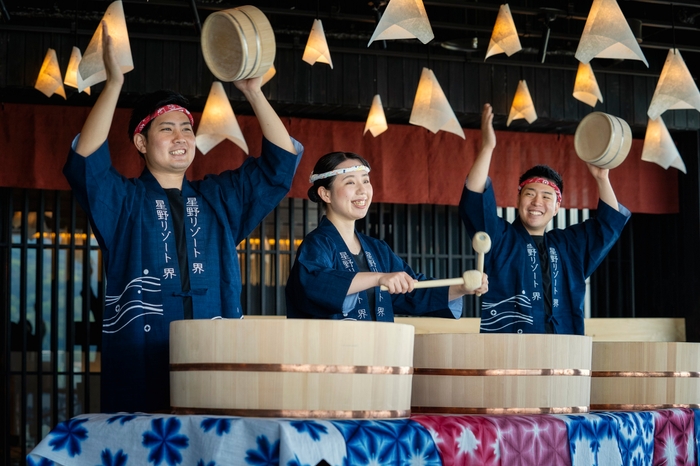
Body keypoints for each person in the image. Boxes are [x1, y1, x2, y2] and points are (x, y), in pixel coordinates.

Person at [63, 23, 302, 413]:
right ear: (141, 142)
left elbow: (279, 168)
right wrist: (113, 86)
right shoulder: (124, 201)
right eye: (166, 129)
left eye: (187, 129)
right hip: (142, 359)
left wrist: (253, 91)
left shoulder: (219, 200)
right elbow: (86, 163)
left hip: (215, 358)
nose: (181, 137)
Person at [459, 103, 631, 335]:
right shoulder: (501, 239)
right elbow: (476, 198)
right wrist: (488, 148)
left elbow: (607, 225)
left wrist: (601, 177)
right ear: (518, 199)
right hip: (510, 354)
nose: (537, 202)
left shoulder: (568, 246)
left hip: (564, 352)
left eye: (547, 196)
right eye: (529, 194)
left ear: (557, 206)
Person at [286, 151, 487, 321]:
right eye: (350, 182)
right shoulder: (317, 244)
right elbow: (314, 285)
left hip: (380, 353)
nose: (362, 190)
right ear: (325, 194)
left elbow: (412, 290)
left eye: (365, 181)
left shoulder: (377, 249)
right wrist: (379, 278)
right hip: (334, 358)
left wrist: (460, 287)